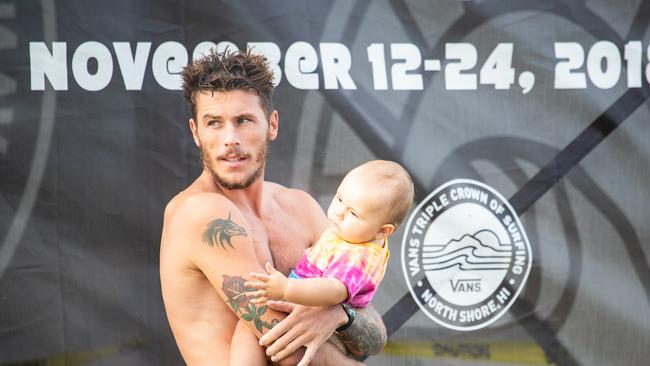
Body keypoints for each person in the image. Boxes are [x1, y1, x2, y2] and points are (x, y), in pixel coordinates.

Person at [159, 48, 387, 366]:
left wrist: (340, 316)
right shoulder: (201, 214)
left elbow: (375, 332)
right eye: (214, 123)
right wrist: (331, 314)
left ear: (272, 125)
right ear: (196, 133)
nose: (230, 139)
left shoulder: (300, 208)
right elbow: (286, 350)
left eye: (243, 121)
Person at [229, 160, 414, 366]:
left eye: (354, 213)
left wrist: (287, 288)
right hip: (314, 316)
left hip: (323, 329)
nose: (339, 212)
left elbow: (335, 290)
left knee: (247, 331)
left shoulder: (357, 256)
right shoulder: (350, 235)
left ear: (383, 231)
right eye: (339, 198)